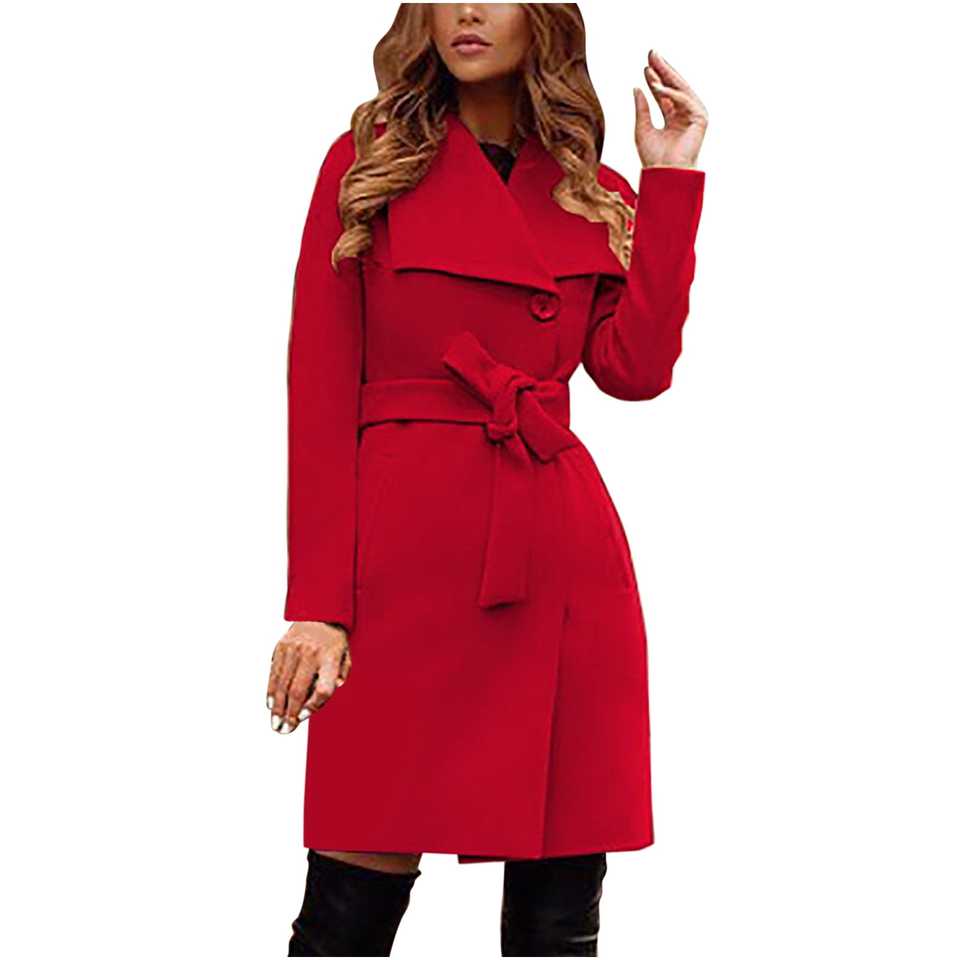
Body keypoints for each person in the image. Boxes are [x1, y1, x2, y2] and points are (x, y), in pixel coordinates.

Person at [266, 3, 708, 956]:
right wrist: (318, 607)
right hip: (400, 573)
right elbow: (318, 392)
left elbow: (634, 370)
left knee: (558, 915)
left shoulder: (593, 190)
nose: (468, 11)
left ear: (543, 19)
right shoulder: (367, 165)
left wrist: (669, 183)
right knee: (346, 906)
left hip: (558, 564)